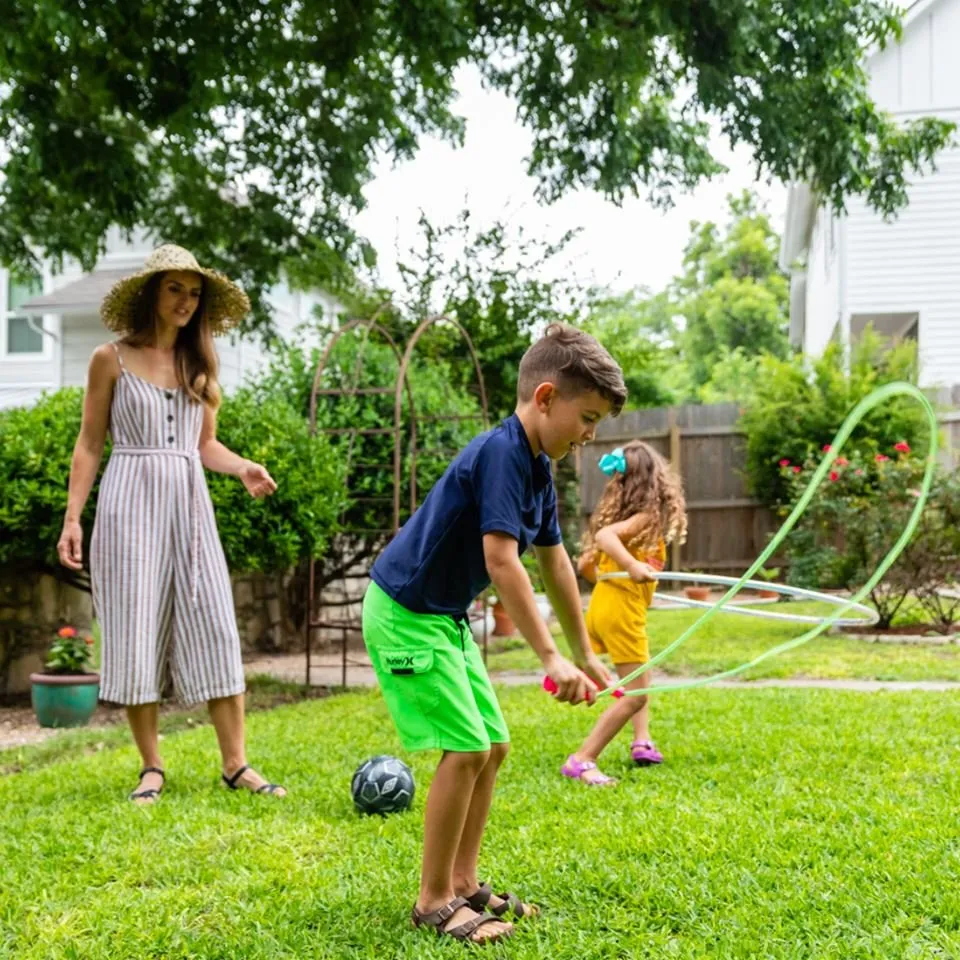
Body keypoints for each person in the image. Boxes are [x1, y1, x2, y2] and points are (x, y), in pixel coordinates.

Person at [362, 323, 627, 943]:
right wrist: (548, 656)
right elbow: (502, 558)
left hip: (442, 616)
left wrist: (584, 653)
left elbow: (554, 559)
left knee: (494, 745)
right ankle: (432, 901)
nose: (590, 435)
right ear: (544, 397)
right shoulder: (504, 454)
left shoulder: (537, 465)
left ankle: (463, 881)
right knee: (468, 748)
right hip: (405, 612)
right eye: (586, 418)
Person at [57, 243, 285, 804]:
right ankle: (151, 767)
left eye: (193, 291)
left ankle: (236, 764)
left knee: (215, 625)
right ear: (151, 293)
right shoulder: (108, 358)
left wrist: (242, 468)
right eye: (174, 288)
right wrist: (72, 519)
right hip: (126, 503)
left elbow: (204, 445)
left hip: (188, 507)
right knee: (135, 629)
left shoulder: (200, 366)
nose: (185, 300)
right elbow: (89, 445)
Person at [565, 441, 688, 786]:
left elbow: (585, 564)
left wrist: (612, 579)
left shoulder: (628, 521)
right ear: (656, 482)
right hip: (621, 613)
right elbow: (604, 537)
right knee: (636, 694)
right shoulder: (645, 518)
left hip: (603, 607)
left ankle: (641, 740)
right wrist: (632, 567)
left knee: (638, 679)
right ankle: (582, 759)